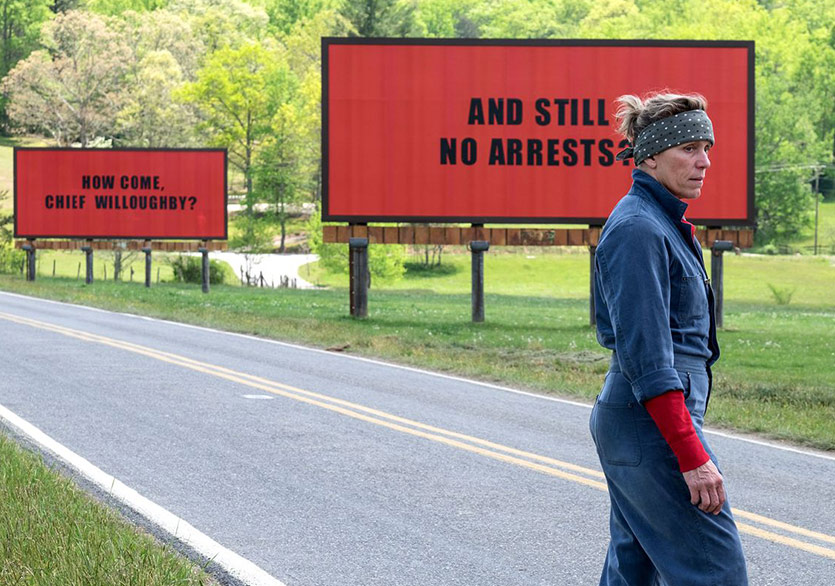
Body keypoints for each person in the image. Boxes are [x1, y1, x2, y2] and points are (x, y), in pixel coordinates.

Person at [590, 92, 748, 585]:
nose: (704, 162)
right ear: (651, 156)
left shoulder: (660, 221)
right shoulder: (638, 229)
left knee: (633, 570)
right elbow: (649, 359)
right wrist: (692, 455)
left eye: (707, 148)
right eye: (689, 148)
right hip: (650, 423)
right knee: (715, 570)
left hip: (643, 423)